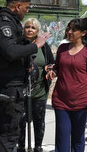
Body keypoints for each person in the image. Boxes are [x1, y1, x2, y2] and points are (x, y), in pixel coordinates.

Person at [0, 0, 51, 152]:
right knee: (9, 133)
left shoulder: (9, 21)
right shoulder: (4, 22)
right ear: (18, 6)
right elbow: (11, 51)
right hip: (7, 87)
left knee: (2, 130)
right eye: (26, 7)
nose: (27, 11)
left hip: (7, 86)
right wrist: (36, 45)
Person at [46, 18, 87, 152]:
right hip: (61, 100)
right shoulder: (62, 48)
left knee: (77, 140)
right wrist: (53, 71)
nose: (69, 32)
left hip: (80, 101)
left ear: (83, 33)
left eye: (73, 30)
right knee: (62, 141)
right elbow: (58, 67)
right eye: (68, 29)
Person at [17, 18, 54, 152]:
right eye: (27, 27)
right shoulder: (19, 44)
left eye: (33, 28)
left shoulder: (44, 46)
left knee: (39, 121)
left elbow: (52, 63)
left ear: (37, 31)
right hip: (21, 90)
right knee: (21, 121)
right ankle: (21, 146)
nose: (30, 29)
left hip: (39, 90)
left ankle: (38, 146)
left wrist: (51, 70)